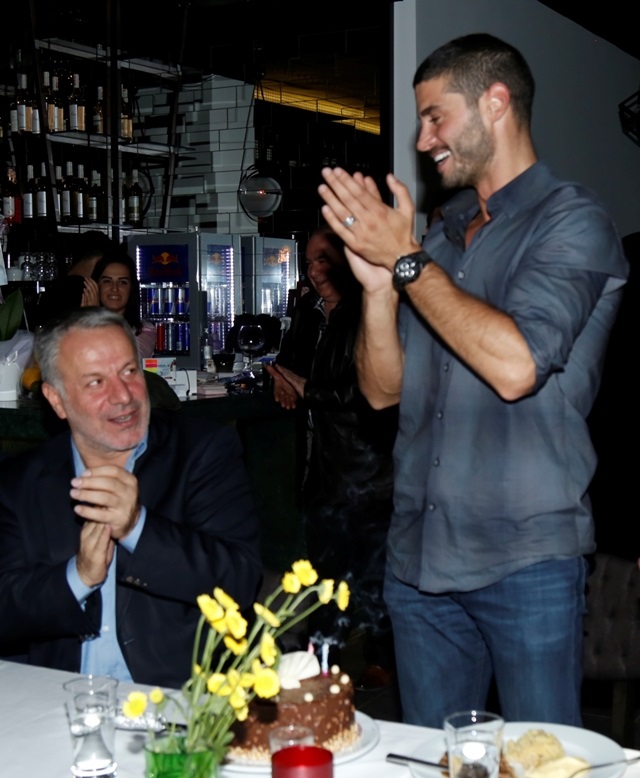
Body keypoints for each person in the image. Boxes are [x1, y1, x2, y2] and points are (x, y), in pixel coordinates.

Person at [317, 33, 628, 726]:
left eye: (436, 117)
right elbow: (382, 391)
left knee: (542, 765)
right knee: (438, 763)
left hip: (526, 561)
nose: (423, 140)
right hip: (418, 564)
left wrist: (404, 262)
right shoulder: (439, 238)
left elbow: (516, 367)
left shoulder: (572, 220)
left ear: (496, 103)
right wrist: (378, 289)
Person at [0, 307, 262, 688]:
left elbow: (240, 579)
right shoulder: (20, 482)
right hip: (61, 698)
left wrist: (138, 527)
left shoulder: (201, 452)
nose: (123, 396)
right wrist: (78, 577)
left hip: (175, 696)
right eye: (96, 382)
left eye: (129, 371)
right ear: (56, 400)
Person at [267, 226, 398, 688]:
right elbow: (288, 364)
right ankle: (326, 664)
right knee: (325, 576)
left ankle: (383, 661)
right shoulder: (307, 311)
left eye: (324, 260)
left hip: (368, 467)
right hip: (319, 464)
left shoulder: (370, 311)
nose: (315, 271)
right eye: (309, 262)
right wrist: (281, 383)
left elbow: (370, 393)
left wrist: (307, 389)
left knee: (373, 573)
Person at [92, 250, 156, 358]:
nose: (114, 288)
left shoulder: (144, 330)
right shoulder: (79, 327)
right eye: (107, 281)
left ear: (131, 288)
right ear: (96, 286)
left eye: (122, 282)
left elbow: (129, 359)